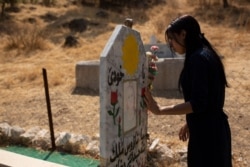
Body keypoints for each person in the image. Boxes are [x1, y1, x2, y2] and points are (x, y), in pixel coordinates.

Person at [144, 15, 232, 167]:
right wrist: (191, 122)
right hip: (212, 130)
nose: (170, 44)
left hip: (208, 136)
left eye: (171, 38)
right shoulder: (204, 54)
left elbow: (198, 103)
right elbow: (208, 100)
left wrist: (159, 110)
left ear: (183, 34)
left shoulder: (198, 59)